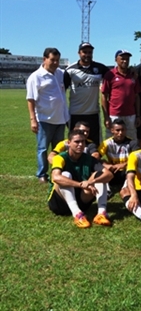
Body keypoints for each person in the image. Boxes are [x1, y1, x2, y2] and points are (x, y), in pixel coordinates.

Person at [48, 129, 114, 228]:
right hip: (59, 204)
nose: (80, 144)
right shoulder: (60, 158)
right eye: (76, 142)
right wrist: (80, 184)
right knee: (65, 175)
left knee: (100, 175)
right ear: (69, 143)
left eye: (82, 141)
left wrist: (91, 181)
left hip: (82, 201)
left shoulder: (89, 158)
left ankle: (101, 213)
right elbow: (56, 177)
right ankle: (77, 214)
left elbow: (109, 175)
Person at [26, 47, 69, 183]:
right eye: (52, 60)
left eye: (57, 60)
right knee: (43, 148)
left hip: (60, 119)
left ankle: (58, 171)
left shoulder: (60, 74)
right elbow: (31, 99)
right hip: (44, 119)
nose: (55, 63)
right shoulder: (36, 77)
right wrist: (33, 119)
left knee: (59, 148)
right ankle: (42, 174)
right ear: (44, 59)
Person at [64, 42, 109, 145]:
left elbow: (115, 74)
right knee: (76, 143)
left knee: (95, 143)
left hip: (93, 113)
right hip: (75, 113)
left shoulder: (100, 68)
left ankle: (95, 161)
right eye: (84, 52)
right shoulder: (70, 70)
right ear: (79, 53)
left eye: (90, 52)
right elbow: (62, 93)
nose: (87, 54)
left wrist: (132, 70)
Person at [101, 49, 141, 141]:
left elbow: (137, 96)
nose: (125, 61)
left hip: (130, 114)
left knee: (131, 139)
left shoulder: (133, 75)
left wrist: (138, 115)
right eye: (122, 59)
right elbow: (104, 95)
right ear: (116, 60)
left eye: (127, 59)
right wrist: (106, 117)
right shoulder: (110, 74)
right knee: (112, 139)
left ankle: (130, 155)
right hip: (114, 114)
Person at [98, 118, 137, 196]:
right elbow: (96, 158)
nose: (120, 133)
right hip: (113, 171)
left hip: (126, 171)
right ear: (112, 130)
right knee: (100, 170)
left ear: (126, 130)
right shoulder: (106, 143)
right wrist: (106, 165)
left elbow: (138, 159)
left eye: (123, 130)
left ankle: (125, 188)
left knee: (133, 171)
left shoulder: (132, 143)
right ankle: (107, 191)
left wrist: (124, 164)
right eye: (117, 130)